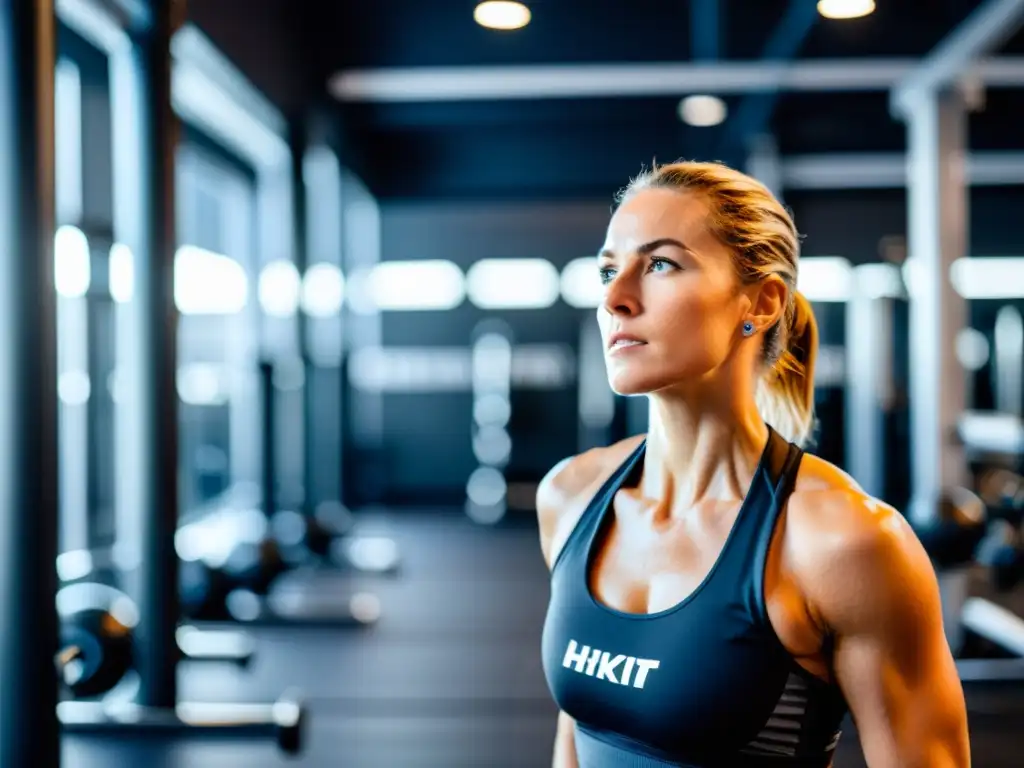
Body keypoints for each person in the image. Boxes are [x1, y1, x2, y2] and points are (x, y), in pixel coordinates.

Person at [536, 161, 970, 767]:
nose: (615, 298)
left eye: (660, 263)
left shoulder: (841, 544)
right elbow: (575, 737)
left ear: (761, 302)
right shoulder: (571, 495)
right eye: (609, 269)